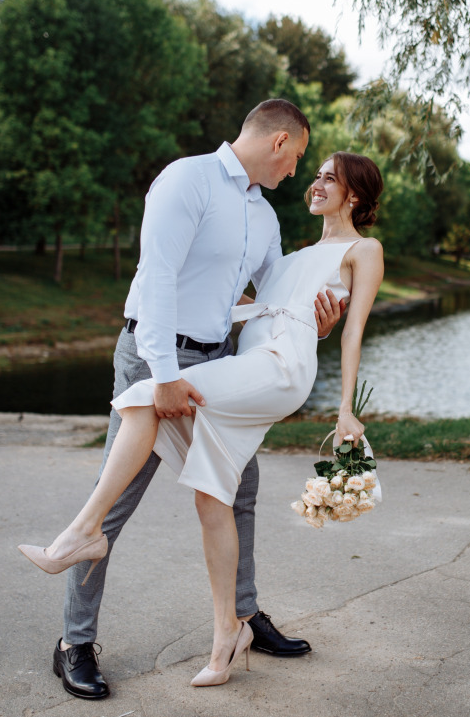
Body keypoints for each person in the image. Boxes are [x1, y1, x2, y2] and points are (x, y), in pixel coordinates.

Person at [19, 152, 385, 687]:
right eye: (306, 164)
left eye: (326, 174)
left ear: (353, 195)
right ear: (279, 142)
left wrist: (335, 378)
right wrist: (167, 366)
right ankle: (85, 640)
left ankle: (236, 612)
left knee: (231, 488)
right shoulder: (190, 182)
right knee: (175, 490)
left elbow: (331, 323)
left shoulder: (302, 231)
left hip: (246, 363)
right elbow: (195, 282)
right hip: (166, 353)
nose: (306, 177)